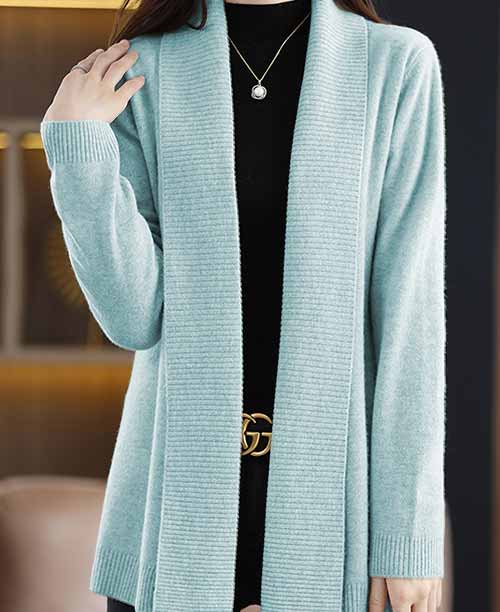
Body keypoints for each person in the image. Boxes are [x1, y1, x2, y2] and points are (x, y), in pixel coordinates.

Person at [40, 0, 447, 610]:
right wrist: (78, 148)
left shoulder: (396, 65)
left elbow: (411, 320)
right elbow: (133, 317)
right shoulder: (139, 71)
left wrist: (407, 536)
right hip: (170, 518)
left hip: (334, 514)